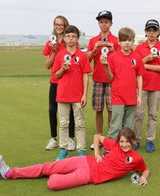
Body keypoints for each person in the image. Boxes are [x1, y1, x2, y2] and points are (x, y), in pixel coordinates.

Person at [0, 128, 150, 191]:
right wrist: (97, 154)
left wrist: (143, 177)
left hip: (89, 176)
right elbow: (97, 137)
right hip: (85, 161)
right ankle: (8, 173)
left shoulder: (136, 158)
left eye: (127, 142)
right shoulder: (115, 144)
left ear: (134, 142)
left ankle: (58, 174)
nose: (123, 144)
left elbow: (146, 169)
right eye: (121, 141)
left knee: (52, 183)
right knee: (47, 167)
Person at [52, 25, 92, 160]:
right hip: (62, 95)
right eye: (68, 36)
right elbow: (56, 75)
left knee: (79, 123)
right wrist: (63, 69)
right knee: (63, 123)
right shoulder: (60, 55)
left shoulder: (82, 56)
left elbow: (86, 75)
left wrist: (84, 95)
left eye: (73, 36)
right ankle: (63, 149)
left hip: (77, 96)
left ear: (77, 38)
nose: (70, 39)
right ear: (64, 38)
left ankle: (81, 149)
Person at [133, 19, 160, 153]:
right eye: (149, 30)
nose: (152, 33)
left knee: (153, 115)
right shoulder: (140, 47)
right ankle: (136, 139)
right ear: (145, 32)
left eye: (154, 30)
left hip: (157, 86)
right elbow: (135, 65)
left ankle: (150, 140)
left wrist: (145, 65)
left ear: (158, 32)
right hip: (141, 86)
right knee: (138, 114)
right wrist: (146, 60)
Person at [101, 27, 143, 140]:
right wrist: (105, 66)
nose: (127, 43)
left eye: (129, 40)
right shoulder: (113, 57)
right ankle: (109, 150)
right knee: (115, 126)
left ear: (133, 41)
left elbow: (139, 77)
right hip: (117, 97)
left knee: (128, 128)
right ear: (119, 42)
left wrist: (139, 96)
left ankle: (125, 152)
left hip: (132, 97)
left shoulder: (137, 57)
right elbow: (110, 78)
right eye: (124, 40)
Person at [87, 10, 121, 150]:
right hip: (98, 79)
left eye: (106, 22)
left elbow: (121, 60)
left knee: (112, 110)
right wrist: (95, 49)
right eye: (101, 22)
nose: (103, 24)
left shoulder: (116, 41)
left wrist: (113, 50)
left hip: (112, 79)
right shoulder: (93, 40)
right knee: (99, 109)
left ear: (111, 23)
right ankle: (100, 137)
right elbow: (87, 60)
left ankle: (110, 138)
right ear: (98, 23)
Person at [42, 16, 76, 151]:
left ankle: (71, 138)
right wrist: (55, 53)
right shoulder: (51, 43)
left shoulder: (70, 39)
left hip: (68, 81)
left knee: (71, 110)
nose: (59, 27)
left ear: (65, 25)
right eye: (57, 24)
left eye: (61, 24)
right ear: (54, 25)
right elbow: (47, 65)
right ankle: (53, 139)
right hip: (55, 80)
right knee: (52, 110)